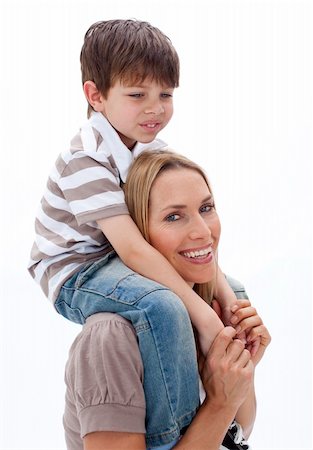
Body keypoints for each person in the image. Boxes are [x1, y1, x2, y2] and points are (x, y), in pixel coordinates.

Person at [28, 19, 251, 448]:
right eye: (137, 95)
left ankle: (220, 422)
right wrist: (204, 321)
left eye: (165, 95)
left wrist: (223, 297)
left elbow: (193, 244)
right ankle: (174, 436)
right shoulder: (85, 159)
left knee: (229, 289)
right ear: (95, 96)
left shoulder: (152, 151)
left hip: (113, 259)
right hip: (75, 271)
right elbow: (132, 247)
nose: (156, 109)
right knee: (162, 307)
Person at [63, 150, 271, 449]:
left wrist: (242, 372)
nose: (203, 231)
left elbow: (238, 436)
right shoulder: (111, 336)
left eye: (207, 208)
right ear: (137, 236)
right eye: (173, 217)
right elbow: (223, 414)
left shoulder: (220, 304)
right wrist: (221, 402)